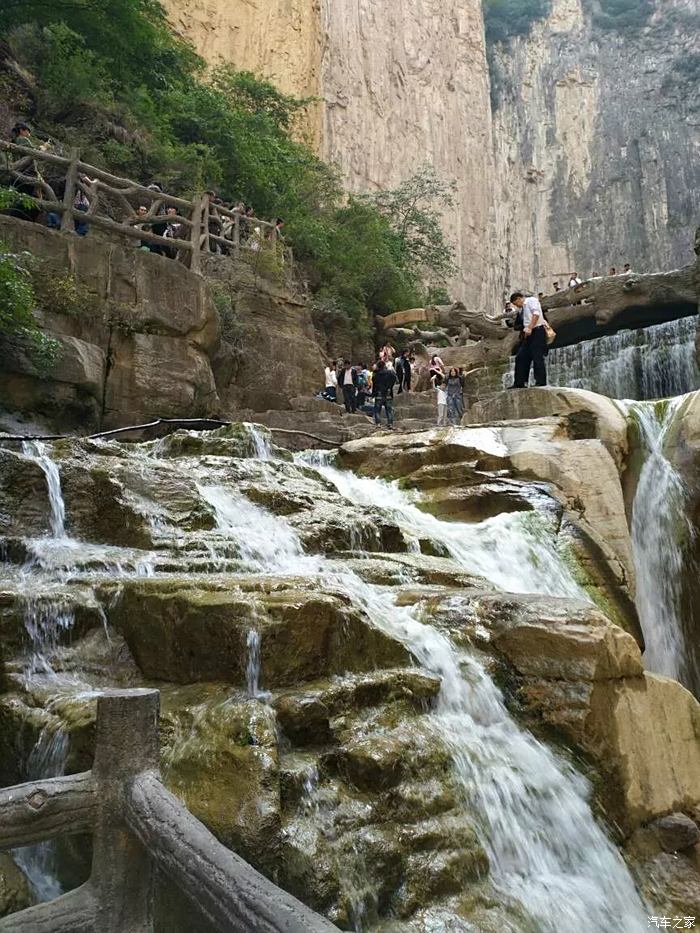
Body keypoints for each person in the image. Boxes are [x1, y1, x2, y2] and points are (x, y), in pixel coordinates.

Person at [511, 291, 547, 388]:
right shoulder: (522, 309)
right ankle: (520, 382)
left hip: (537, 331)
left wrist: (530, 327)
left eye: (516, 303)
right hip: (528, 334)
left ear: (519, 298)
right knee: (520, 357)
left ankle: (541, 381)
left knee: (537, 357)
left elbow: (536, 314)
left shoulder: (531, 301)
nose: (516, 306)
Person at [372, 359, 396, 429]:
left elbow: (374, 385)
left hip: (379, 393)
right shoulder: (390, 373)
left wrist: (373, 394)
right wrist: (390, 386)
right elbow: (394, 379)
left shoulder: (375, 375)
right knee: (389, 410)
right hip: (388, 393)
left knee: (377, 410)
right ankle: (390, 423)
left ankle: (378, 423)